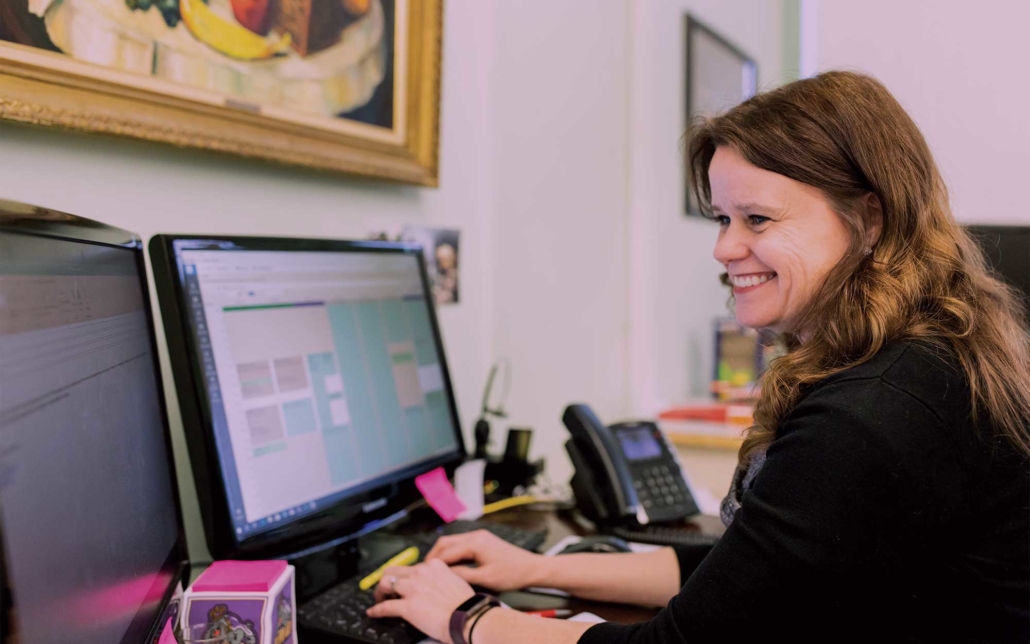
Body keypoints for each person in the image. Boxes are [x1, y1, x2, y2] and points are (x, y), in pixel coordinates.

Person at [365, 71, 1030, 643]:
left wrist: (467, 619)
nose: (724, 248)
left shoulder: (870, 414)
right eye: (721, 219)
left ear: (870, 219)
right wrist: (534, 568)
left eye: (758, 220)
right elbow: (741, 579)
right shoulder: (915, 356)